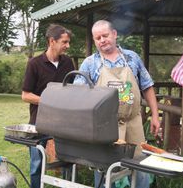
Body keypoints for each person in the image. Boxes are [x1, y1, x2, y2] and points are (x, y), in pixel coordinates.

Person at [74, 20, 160, 188]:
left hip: (133, 123)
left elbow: (147, 87)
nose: (102, 40)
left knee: (139, 167)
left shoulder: (132, 58)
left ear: (114, 34)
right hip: (104, 127)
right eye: (97, 38)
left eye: (105, 35)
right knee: (102, 169)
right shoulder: (90, 63)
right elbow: (78, 95)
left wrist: (155, 115)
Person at [22, 24, 75, 188]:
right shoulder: (34, 63)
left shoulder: (68, 63)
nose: (67, 46)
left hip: (63, 124)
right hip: (39, 123)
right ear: (52, 41)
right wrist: (49, 100)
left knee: (67, 163)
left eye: (68, 42)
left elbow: (73, 91)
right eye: (64, 42)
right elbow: (26, 95)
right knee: (37, 165)